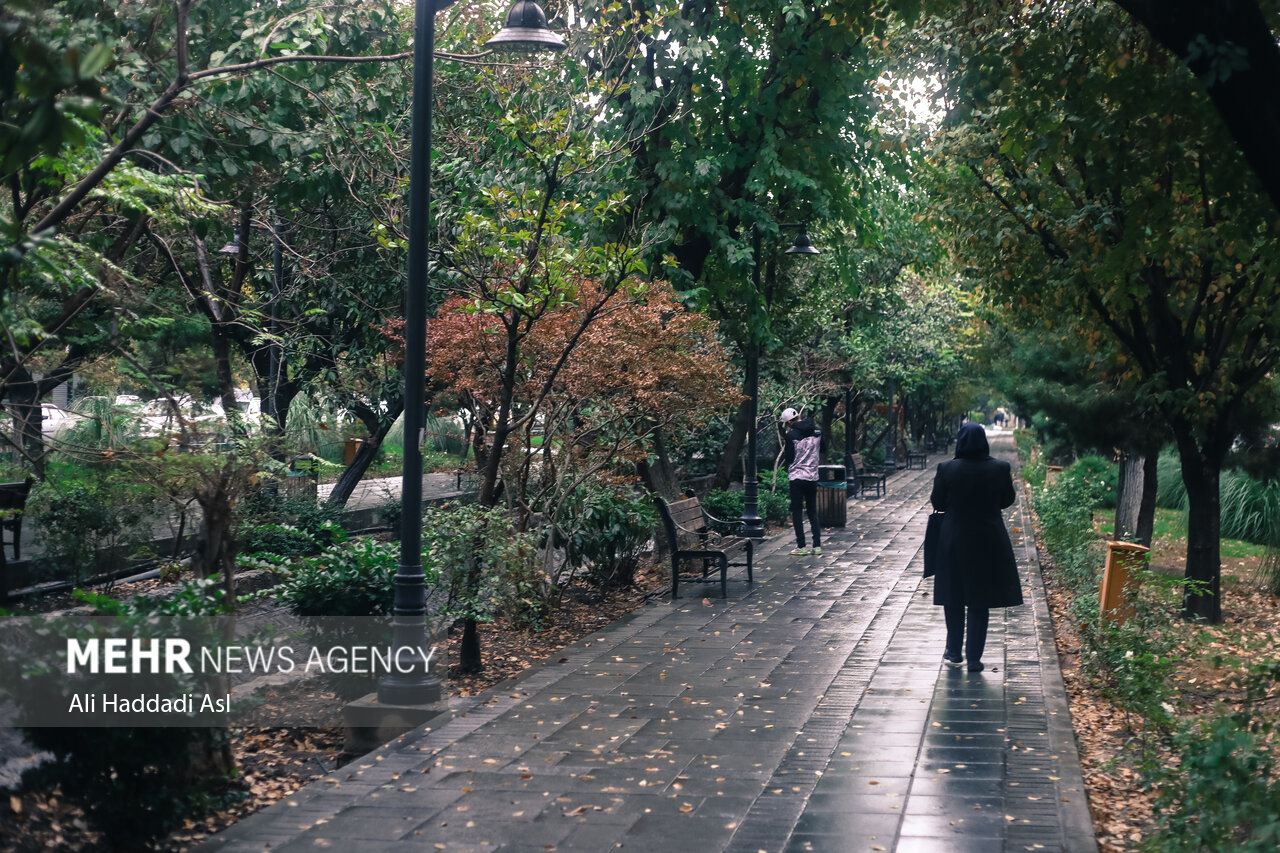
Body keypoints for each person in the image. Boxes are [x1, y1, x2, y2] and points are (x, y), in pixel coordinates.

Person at [928, 422, 1023, 672]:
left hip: (953, 540)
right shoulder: (1000, 468)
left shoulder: (947, 468)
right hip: (987, 540)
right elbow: (1008, 500)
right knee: (980, 599)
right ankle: (974, 659)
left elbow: (937, 501)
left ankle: (953, 650)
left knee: (954, 595)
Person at [781, 407, 822, 556]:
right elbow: (822, 449)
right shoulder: (817, 431)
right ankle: (817, 546)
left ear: (790, 422)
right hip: (812, 476)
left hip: (797, 477)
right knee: (812, 510)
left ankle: (801, 546)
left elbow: (790, 458)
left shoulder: (791, 435)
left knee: (797, 512)